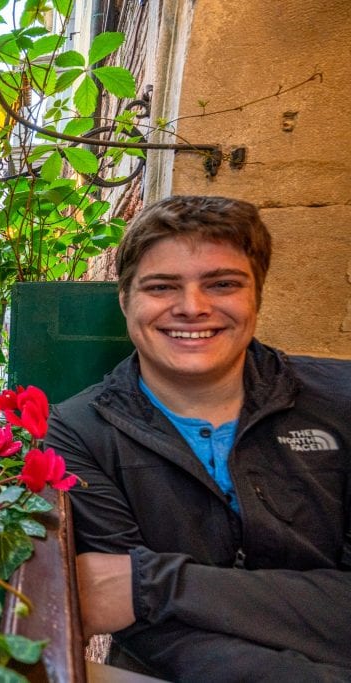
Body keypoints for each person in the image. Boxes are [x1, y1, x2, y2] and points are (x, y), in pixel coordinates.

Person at [45, 196, 351, 682]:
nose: (192, 307)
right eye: (162, 286)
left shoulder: (342, 399)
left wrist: (153, 584)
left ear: (258, 295)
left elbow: (130, 597)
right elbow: (142, 629)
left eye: (223, 284)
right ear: (125, 300)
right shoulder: (78, 431)